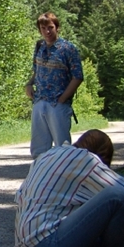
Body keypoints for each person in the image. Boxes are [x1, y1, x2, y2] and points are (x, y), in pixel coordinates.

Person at [24, 12, 83, 159]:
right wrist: (29, 84)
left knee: (62, 148)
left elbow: (78, 76)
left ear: (57, 28)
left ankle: (64, 179)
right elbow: (36, 71)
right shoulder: (39, 47)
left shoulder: (68, 49)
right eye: (43, 28)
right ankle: (40, 179)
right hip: (39, 101)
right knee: (38, 150)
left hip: (58, 104)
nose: (47, 32)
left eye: (50, 27)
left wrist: (63, 98)